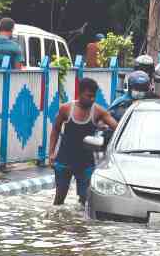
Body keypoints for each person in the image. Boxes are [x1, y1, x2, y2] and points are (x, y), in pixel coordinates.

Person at [47, 77, 117, 206]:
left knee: (85, 200)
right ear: (80, 94)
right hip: (64, 160)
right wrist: (51, 153)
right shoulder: (66, 109)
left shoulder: (99, 111)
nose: (92, 99)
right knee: (59, 199)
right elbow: (55, 130)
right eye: (89, 96)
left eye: (94, 96)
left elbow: (117, 128)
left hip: (86, 163)